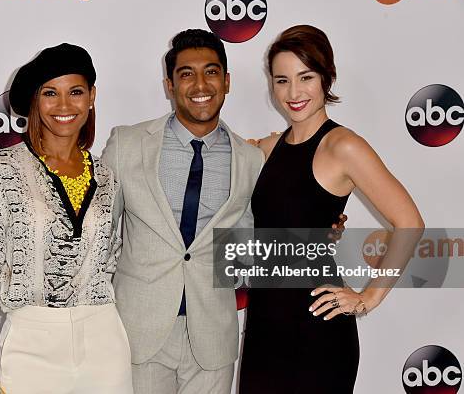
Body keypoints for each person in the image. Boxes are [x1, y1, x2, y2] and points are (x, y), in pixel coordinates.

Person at [238, 25, 425, 393]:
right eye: (281, 80)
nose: (293, 92)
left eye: (305, 77)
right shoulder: (266, 149)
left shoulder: (344, 146)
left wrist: (368, 297)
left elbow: (410, 222)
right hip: (264, 325)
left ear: (327, 78)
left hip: (316, 330)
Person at [0, 43, 133, 394]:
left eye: (76, 92)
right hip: (31, 343)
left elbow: (110, 260)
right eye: (50, 93)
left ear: (92, 96)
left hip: (104, 341)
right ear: (35, 100)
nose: (64, 105)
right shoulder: (0, 170)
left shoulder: (108, 176)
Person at [102, 29, 264, 393]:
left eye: (210, 72)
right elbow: (102, 234)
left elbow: (248, 246)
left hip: (213, 337)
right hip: (138, 331)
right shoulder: (127, 145)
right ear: (169, 85)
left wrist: (319, 230)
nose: (199, 84)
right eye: (186, 74)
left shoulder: (251, 159)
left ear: (227, 81)